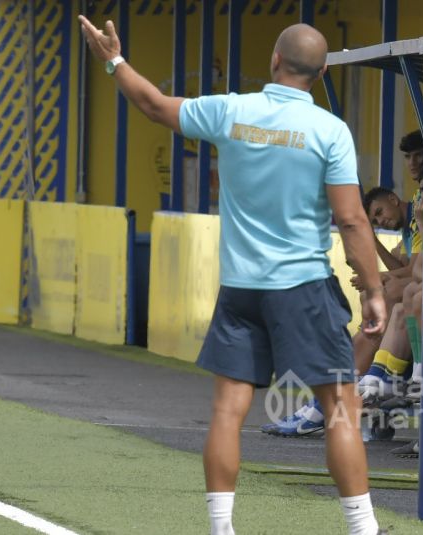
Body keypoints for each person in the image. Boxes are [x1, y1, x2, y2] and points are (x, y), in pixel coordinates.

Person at [78, 17, 388, 535]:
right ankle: (363, 528)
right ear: (323, 70)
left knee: (228, 409)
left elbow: (154, 104)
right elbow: (353, 220)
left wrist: (113, 59)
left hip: (242, 287)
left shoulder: (231, 110)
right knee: (339, 407)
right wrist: (374, 290)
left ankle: (222, 529)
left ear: (273, 60)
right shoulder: (330, 131)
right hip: (304, 287)